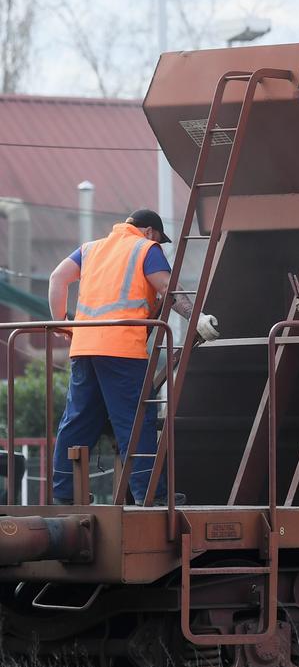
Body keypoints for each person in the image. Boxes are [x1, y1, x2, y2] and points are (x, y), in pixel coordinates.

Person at [47, 209, 220, 505]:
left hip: (85, 348)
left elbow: (57, 278)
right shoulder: (145, 248)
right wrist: (198, 318)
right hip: (122, 349)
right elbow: (167, 288)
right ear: (151, 231)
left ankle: (64, 492)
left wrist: (63, 323)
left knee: (77, 420)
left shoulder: (90, 249)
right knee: (136, 420)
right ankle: (150, 495)